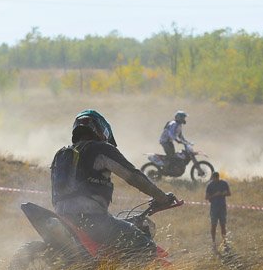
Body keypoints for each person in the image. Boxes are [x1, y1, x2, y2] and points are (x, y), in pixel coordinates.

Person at [52, 109, 177, 259]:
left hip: (62, 219)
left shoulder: (61, 154)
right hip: (92, 220)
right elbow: (133, 176)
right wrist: (161, 197)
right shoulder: (101, 149)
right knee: (145, 245)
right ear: (100, 129)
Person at [205, 171, 231, 248]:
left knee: (223, 225)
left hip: (222, 207)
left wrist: (223, 193)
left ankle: (224, 241)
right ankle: (213, 241)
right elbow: (206, 197)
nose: (215, 180)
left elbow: (229, 193)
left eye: (216, 178)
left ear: (218, 177)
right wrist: (215, 195)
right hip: (214, 207)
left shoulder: (224, 184)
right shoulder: (210, 185)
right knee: (213, 225)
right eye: (214, 178)